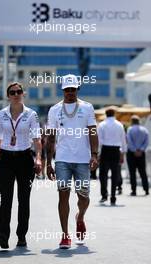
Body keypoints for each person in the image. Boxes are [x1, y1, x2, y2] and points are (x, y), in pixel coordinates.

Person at [46, 74, 98, 249]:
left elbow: (92, 132)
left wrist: (95, 154)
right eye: (67, 89)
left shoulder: (87, 107)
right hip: (62, 160)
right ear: (62, 90)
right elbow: (50, 138)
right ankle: (65, 235)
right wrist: (48, 163)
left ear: (77, 89)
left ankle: (80, 217)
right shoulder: (54, 110)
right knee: (63, 195)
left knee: (84, 197)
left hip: (83, 159)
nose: (70, 92)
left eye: (73, 89)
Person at [0, 82, 42, 249]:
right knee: (6, 199)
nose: (16, 94)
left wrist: (39, 158)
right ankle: (3, 236)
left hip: (25, 159)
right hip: (5, 159)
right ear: (8, 96)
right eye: (12, 92)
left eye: (19, 91)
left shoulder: (31, 114)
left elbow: (37, 139)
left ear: (23, 94)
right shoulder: (1, 114)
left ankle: (21, 236)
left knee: (23, 200)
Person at [98, 107, 126, 205]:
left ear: (106, 114)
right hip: (116, 150)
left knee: (103, 174)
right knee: (115, 174)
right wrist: (122, 153)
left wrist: (98, 153)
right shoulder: (120, 125)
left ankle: (104, 195)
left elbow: (99, 141)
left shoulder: (101, 124)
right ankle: (113, 196)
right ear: (114, 114)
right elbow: (123, 140)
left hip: (105, 149)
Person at [126, 115, 149, 196]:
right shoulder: (144, 130)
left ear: (132, 121)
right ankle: (146, 189)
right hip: (141, 153)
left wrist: (134, 150)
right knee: (143, 172)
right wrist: (141, 150)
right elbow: (146, 141)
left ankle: (134, 190)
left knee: (132, 172)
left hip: (132, 153)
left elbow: (129, 141)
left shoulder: (130, 129)